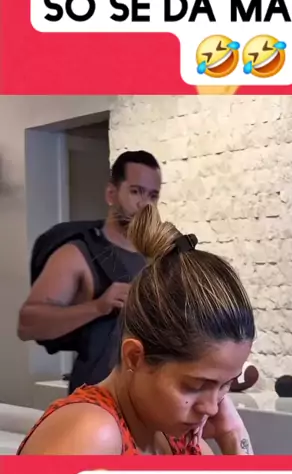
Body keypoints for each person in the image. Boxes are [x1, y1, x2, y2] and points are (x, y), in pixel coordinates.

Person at [17, 203, 255, 456]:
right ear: (134, 356)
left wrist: (233, 432)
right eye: (196, 385)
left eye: (225, 385)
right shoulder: (93, 433)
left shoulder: (174, 435)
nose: (213, 408)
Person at [17, 150, 161, 393]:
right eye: (135, 191)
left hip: (146, 397)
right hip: (94, 399)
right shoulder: (77, 254)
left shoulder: (156, 257)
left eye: (153, 195)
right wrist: (98, 307)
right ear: (111, 194)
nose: (144, 204)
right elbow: (28, 324)